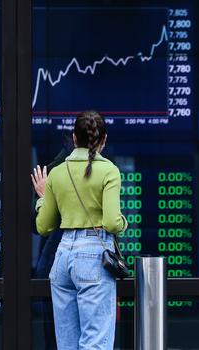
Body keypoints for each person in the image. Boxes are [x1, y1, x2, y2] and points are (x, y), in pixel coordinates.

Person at [31, 110, 128, 350]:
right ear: (103, 140)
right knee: (95, 343)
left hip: (62, 257)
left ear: (74, 138)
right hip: (93, 258)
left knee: (66, 345)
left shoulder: (57, 173)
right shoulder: (109, 171)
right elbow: (113, 223)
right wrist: (124, 223)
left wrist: (42, 197)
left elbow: (43, 226)